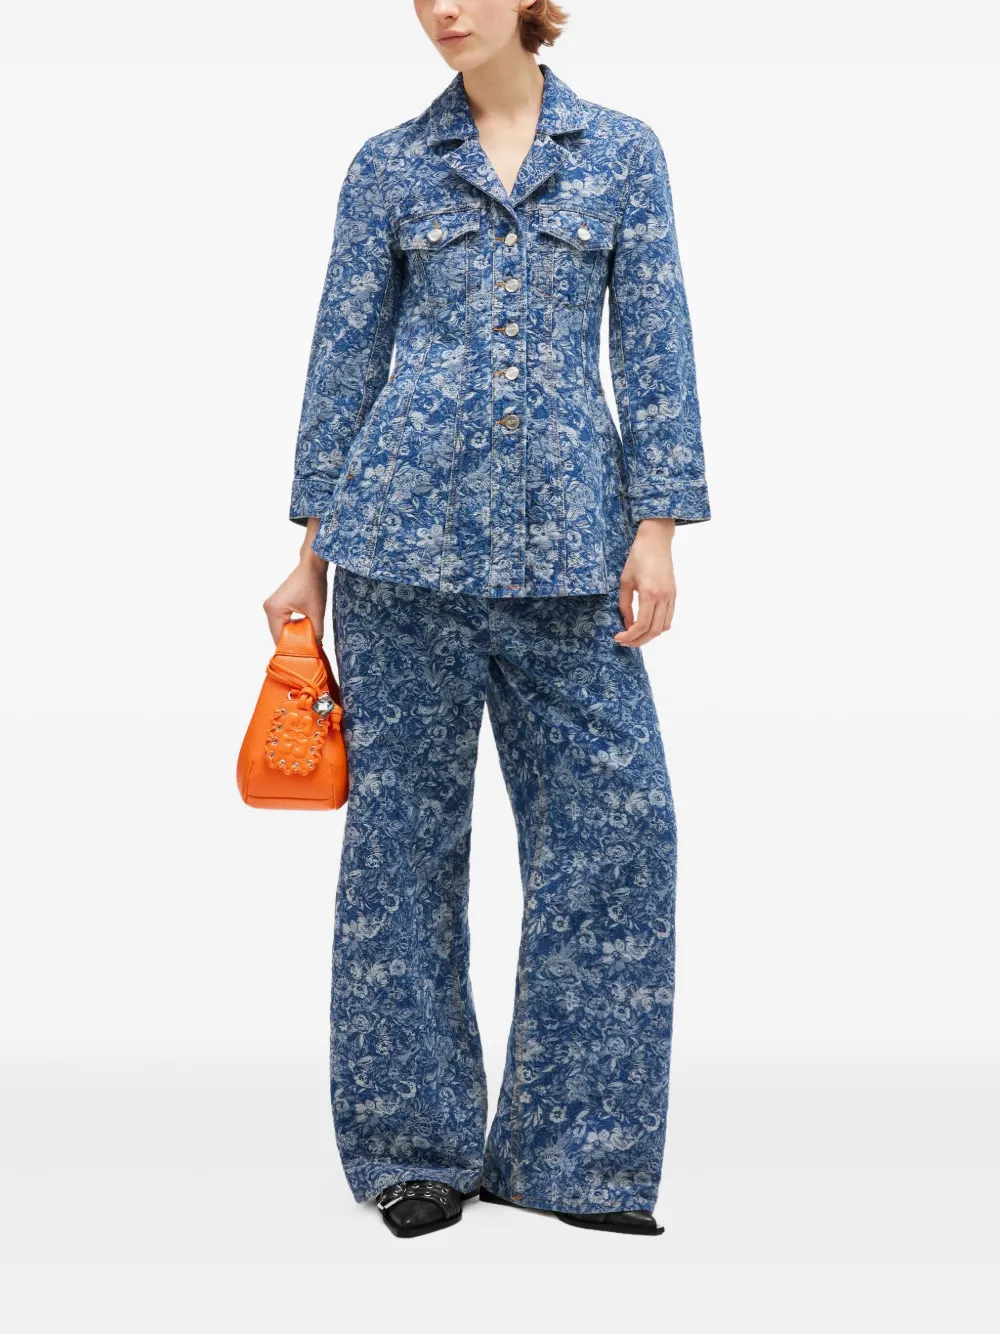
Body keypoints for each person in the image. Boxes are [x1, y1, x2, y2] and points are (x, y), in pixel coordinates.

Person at [263, 0, 710, 1240]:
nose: (443, 11)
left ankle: (577, 1158)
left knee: (619, 833)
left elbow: (655, 343)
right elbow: (343, 360)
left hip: (573, 559)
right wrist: (307, 559)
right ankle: (413, 1152)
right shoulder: (388, 166)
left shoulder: (620, 153)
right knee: (401, 850)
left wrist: (659, 524)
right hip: (397, 553)